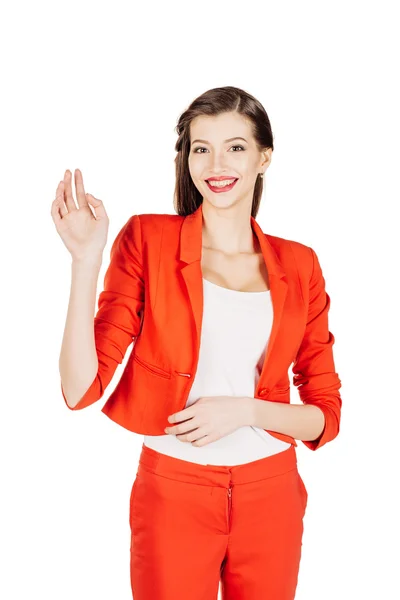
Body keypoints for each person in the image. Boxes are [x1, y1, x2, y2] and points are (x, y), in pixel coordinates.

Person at [53, 86, 342, 600]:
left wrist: (244, 410)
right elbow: (80, 388)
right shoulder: (148, 239)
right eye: (200, 147)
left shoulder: (301, 265)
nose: (216, 163)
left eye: (235, 146)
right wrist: (85, 261)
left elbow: (325, 416)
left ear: (263, 157)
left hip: (271, 492)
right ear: (185, 158)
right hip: (174, 493)